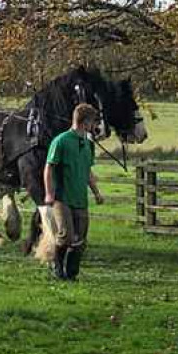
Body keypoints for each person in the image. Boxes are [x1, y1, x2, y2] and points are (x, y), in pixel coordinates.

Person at [43, 102, 105, 280]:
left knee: (80, 240)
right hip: (62, 198)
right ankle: (56, 265)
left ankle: (71, 274)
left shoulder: (87, 144)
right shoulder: (61, 141)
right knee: (66, 235)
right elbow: (49, 167)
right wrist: (49, 193)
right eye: (93, 122)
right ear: (84, 122)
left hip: (81, 199)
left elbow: (88, 171)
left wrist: (96, 192)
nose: (95, 126)